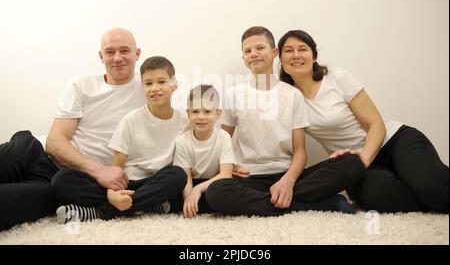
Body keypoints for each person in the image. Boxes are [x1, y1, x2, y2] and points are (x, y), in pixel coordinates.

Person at [278, 29, 449, 213]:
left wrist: (363, 161)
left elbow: (376, 124)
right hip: (352, 163)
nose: (296, 55)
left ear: (314, 56)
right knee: (380, 197)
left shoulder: (337, 77)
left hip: (393, 141)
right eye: (288, 51)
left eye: (302, 49)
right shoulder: (288, 98)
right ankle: (420, 191)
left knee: (434, 190)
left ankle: (427, 188)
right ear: (280, 59)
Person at [205, 26, 365, 216]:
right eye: (248, 51)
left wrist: (287, 181)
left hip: (288, 174)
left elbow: (300, 153)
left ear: (274, 53)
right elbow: (223, 141)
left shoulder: (292, 95)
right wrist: (230, 165)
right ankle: (313, 204)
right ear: (244, 58)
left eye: (260, 48)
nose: (253, 54)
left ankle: (278, 197)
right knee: (216, 193)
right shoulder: (234, 95)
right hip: (249, 177)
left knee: (352, 163)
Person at [0, 27, 146, 231]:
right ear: (101, 56)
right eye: (110, 52)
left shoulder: (149, 89)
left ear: (137, 53)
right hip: (35, 151)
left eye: (125, 50)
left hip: (61, 181)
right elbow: (55, 141)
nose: (117, 58)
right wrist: (100, 170)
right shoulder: (83, 85)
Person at [55, 56, 188, 223]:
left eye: (161, 82)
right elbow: (116, 166)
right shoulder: (131, 120)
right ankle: (148, 205)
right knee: (61, 180)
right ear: (142, 87)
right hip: (126, 184)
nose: (154, 88)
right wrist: (113, 193)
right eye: (148, 83)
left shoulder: (184, 120)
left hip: (155, 184)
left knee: (177, 175)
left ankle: (102, 212)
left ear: (173, 84)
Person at [172, 84, 235, 218]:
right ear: (188, 113)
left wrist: (198, 189)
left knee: (225, 191)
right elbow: (186, 177)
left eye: (207, 111)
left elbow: (226, 174)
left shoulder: (223, 137)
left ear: (217, 113)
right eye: (195, 111)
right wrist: (189, 199)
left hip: (214, 184)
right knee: (173, 189)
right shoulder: (182, 141)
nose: (201, 117)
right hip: (191, 184)